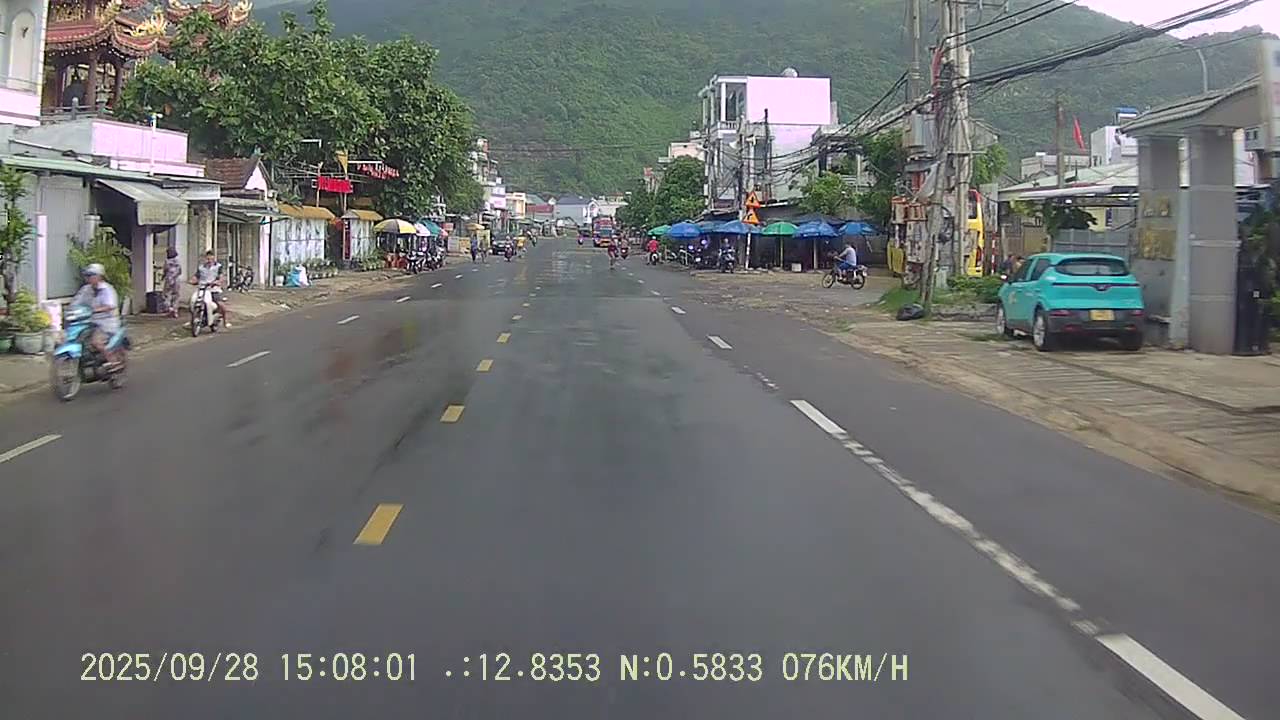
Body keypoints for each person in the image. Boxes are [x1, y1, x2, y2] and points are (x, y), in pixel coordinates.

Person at [72, 264, 122, 366]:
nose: (89, 278)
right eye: (87, 275)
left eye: (91, 275)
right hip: (90, 321)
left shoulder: (107, 289)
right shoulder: (86, 289)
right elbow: (76, 302)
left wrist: (96, 310)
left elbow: (110, 305)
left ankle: (113, 361)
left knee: (97, 342)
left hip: (106, 322)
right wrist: (71, 310)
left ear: (99, 276)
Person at [191, 249, 230, 328]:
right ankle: (194, 319)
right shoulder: (201, 267)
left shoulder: (218, 266)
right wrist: (192, 281)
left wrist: (218, 282)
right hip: (203, 289)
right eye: (207, 259)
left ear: (213, 258)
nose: (209, 261)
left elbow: (221, 276)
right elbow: (196, 276)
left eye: (210, 259)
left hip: (214, 289)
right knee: (193, 301)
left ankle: (225, 321)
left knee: (220, 304)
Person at [161, 246, 182, 318]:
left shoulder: (167, 261)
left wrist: (163, 277)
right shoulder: (178, 261)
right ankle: (175, 310)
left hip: (169, 279)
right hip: (177, 279)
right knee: (176, 295)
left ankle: (169, 308)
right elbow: (180, 271)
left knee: (166, 294)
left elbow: (165, 270)